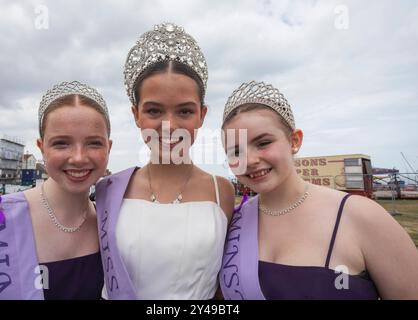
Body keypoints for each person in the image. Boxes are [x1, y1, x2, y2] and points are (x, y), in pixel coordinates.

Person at [219, 81, 418, 299]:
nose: (250, 160)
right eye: (235, 151)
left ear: (295, 141)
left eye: (263, 143)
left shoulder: (362, 217)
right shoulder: (233, 222)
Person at [95, 22, 235, 300]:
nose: (169, 126)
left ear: (202, 115)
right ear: (136, 114)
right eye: (154, 111)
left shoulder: (224, 192)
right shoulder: (108, 190)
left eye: (184, 111)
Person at [0, 81, 112, 299]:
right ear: (41, 147)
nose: (79, 158)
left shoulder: (112, 226)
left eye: (94, 143)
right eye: (61, 143)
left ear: (109, 147)